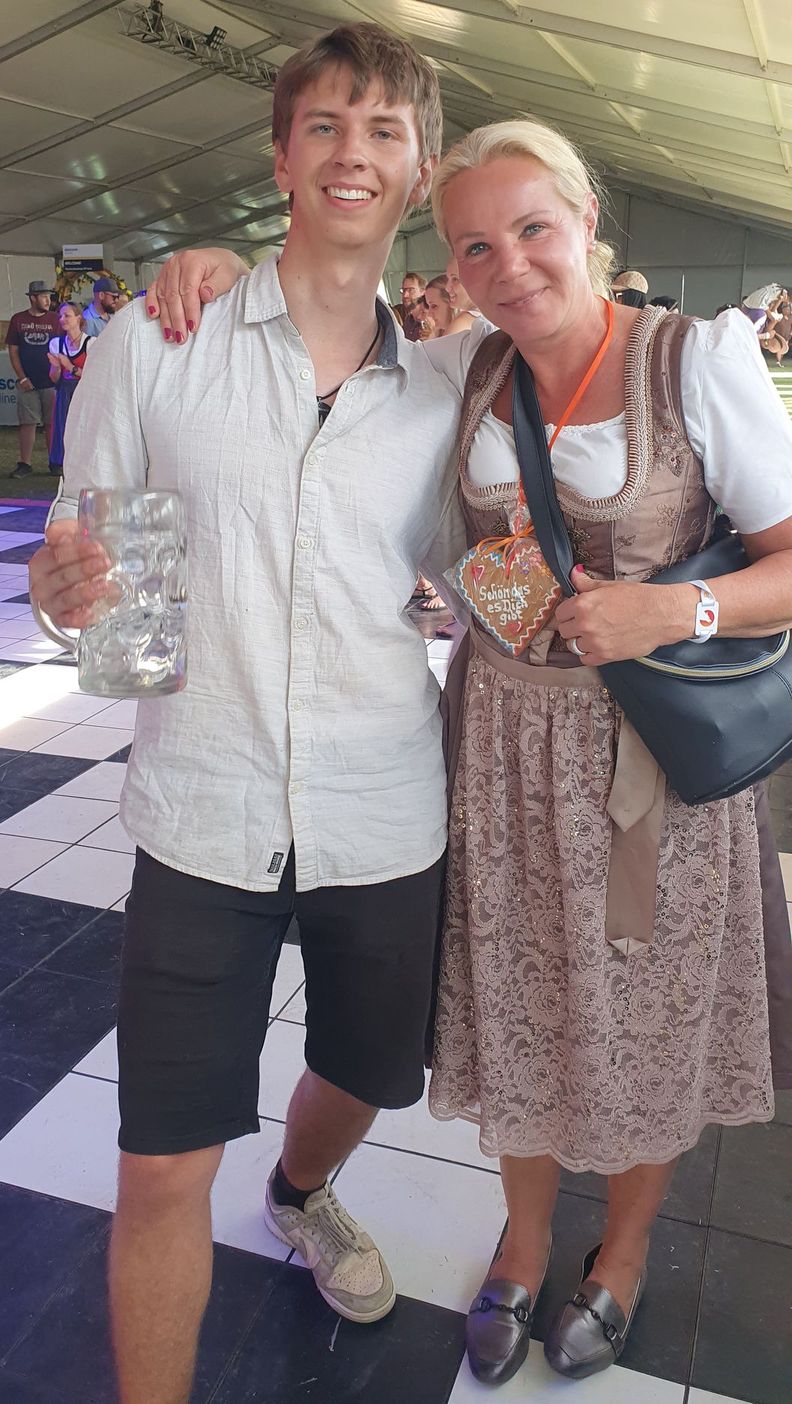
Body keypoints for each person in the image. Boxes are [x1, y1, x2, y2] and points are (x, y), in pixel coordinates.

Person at [28, 23, 469, 1404]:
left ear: (419, 172)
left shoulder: (448, 386)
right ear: (281, 156)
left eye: (384, 131)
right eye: (324, 124)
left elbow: (488, 577)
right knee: (160, 1163)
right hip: (201, 812)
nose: (353, 152)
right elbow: (95, 586)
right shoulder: (162, 339)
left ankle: (300, 1188)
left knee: (369, 1074)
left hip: (383, 809)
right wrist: (64, 596)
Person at [422, 117, 792, 1385]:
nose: (509, 263)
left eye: (532, 227)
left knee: (649, 1015)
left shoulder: (695, 360)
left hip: (655, 766)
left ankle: (622, 1253)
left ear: (585, 220)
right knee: (517, 1001)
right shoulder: (468, 366)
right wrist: (208, 266)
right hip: (501, 753)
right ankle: (523, 1244)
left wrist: (673, 609)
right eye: (475, 246)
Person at [4, 279, 60, 478]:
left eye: (49, 296)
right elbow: (13, 351)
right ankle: (25, 463)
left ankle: (55, 462)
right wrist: (22, 378)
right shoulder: (18, 320)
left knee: (52, 423)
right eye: (43, 296)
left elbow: (63, 347)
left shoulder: (56, 319)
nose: (48, 300)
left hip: (52, 381)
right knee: (27, 423)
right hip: (27, 381)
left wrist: (58, 374)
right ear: (33, 298)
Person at [46, 303, 92, 475]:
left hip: (84, 393)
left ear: (78, 318)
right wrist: (56, 367)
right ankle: (59, 461)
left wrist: (70, 366)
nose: (62, 319)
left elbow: (93, 375)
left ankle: (82, 462)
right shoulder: (56, 344)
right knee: (61, 426)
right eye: (61, 316)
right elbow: (54, 378)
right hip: (64, 391)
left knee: (83, 426)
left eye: (67, 315)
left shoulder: (90, 343)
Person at [392, 270, 425, 340]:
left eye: (411, 290)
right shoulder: (397, 313)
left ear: (423, 292)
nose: (405, 295)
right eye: (403, 290)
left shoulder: (430, 317)